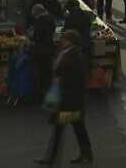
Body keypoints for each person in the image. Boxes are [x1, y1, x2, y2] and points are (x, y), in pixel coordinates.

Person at [34, 30, 92, 165]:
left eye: (64, 39)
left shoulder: (75, 56)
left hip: (69, 99)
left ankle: (52, 157)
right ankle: (86, 153)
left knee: (61, 128)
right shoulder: (65, 53)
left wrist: (62, 79)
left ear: (71, 40)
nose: (62, 41)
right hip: (69, 99)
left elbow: (77, 77)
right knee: (77, 127)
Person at [30, 3, 58, 98]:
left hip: (41, 50)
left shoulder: (40, 22)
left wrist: (31, 37)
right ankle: (49, 89)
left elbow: (37, 37)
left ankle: (43, 91)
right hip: (50, 48)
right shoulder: (51, 18)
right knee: (48, 70)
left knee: (42, 71)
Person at [62, 0, 93, 65]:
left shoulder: (70, 18)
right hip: (87, 44)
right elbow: (89, 25)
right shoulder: (85, 15)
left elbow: (65, 32)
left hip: (76, 47)